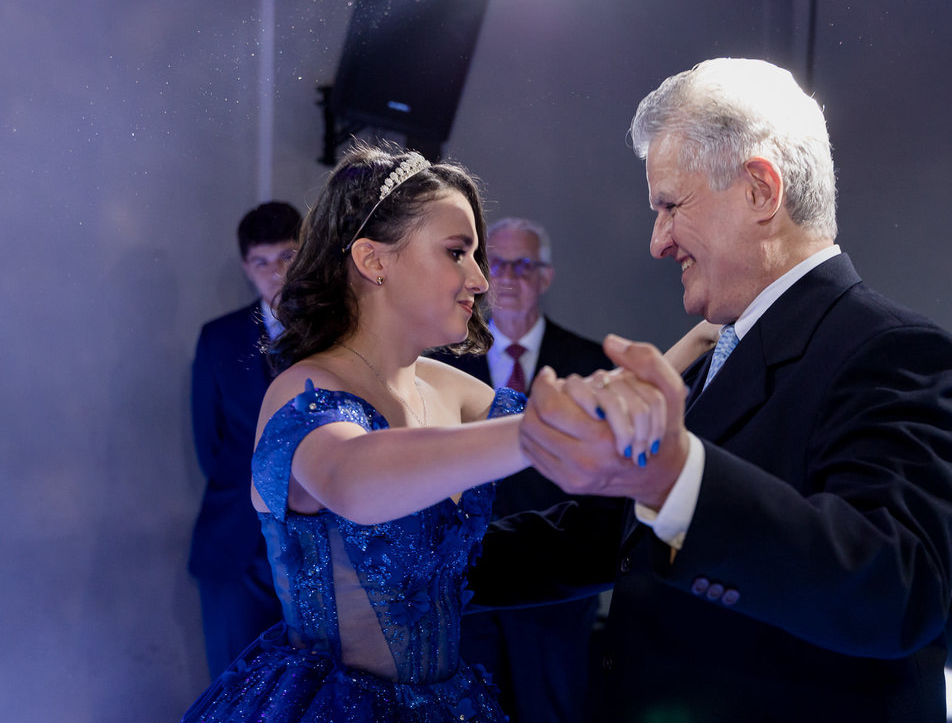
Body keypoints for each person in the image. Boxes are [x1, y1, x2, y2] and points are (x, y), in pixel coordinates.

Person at [480, 58, 952, 721]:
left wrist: (675, 477)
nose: (658, 242)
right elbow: (608, 538)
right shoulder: (717, 352)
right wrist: (423, 570)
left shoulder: (895, 352)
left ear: (760, 191)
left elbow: (898, 591)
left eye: (669, 206)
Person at [182, 142, 713, 723]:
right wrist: (537, 429)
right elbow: (353, 480)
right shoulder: (303, 389)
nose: (481, 280)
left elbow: (585, 425)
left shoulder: (445, 386)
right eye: (457, 252)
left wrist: (698, 344)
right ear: (373, 259)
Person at [431, 217, 611, 723]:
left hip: (555, 592)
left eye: (523, 265)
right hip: (471, 588)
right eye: (498, 264)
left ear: (545, 276)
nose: (507, 277)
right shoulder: (443, 366)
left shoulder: (590, 363)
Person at [189, 200, 299, 679]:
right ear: (246, 267)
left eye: (288, 257)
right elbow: (211, 447)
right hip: (236, 547)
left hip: (322, 549)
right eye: (261, 262)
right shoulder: (219, 338)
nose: (276, 273)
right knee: (235, 689)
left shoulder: (340, 335)